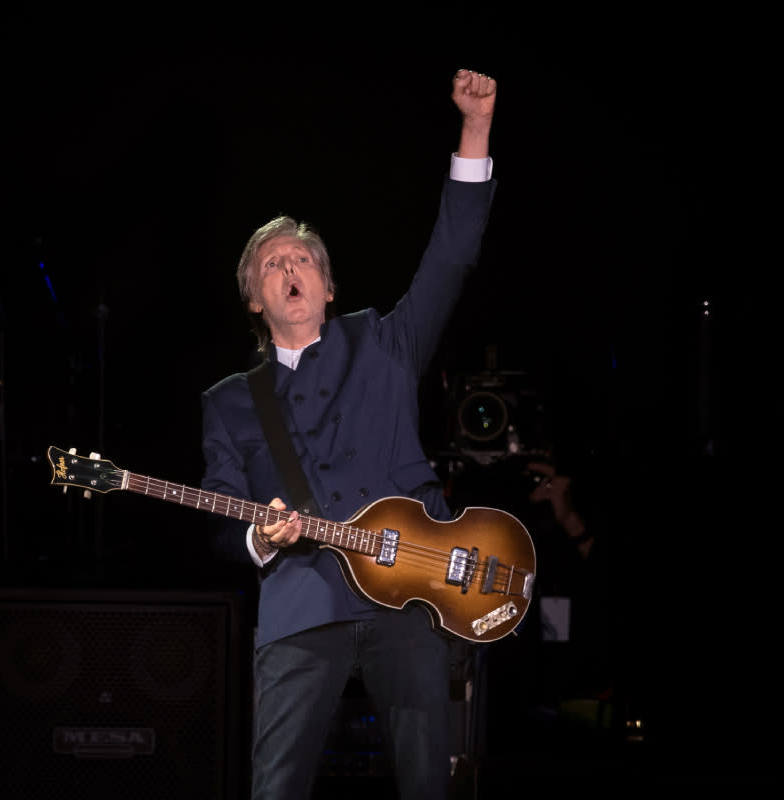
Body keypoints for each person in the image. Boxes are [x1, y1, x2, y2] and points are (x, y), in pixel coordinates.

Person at [200, 67, 497, 800]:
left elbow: (452, 258)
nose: (289, 267)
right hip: (301, 605)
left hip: (410, 593)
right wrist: (258, 538)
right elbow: (216, 507)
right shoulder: (231, 402)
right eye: (272, 264)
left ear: (329, 287)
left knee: (428, 783)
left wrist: (475, 129)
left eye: (303, 258)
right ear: (253, 298)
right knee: (274, 788)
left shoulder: (386, 344)